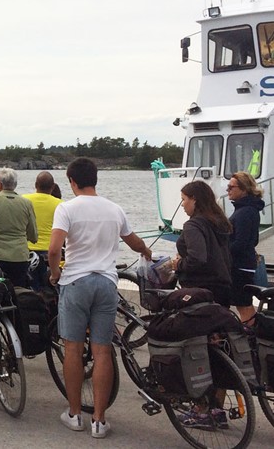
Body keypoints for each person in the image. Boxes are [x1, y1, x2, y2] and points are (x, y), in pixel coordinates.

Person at [48, 158, 151, 438]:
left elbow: (54, 248)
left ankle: (74, 414)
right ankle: (99, 420)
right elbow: (134, 242)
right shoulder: (114, 209)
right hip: (106, 283)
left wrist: (55, 273)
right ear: (95, 179)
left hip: (76, 282)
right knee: (102, 350)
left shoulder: (66, 208)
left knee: (72, 348)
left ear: (71, 181)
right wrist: (148, 253)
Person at [168, 180, 233, 307]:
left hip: (200, 289)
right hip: (222, 284)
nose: (182, 205)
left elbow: (197, 258)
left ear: (194, 200)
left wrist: (179, 264)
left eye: (184, 199)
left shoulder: (193, 225)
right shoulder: (219, 221)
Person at [0, 167, 37, 288]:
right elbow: (33, 234)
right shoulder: (26, 203)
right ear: (15, 184)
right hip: (20, 256)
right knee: (19, 291)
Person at [227, 172, 264, 324]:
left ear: (244, 189)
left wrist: (222, 251)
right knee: (243, 305)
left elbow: (241, 243)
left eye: (231, 187)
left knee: (244, 306)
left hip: (240, 267)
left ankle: (253, 338)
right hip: (245, 265)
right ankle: (253, 335)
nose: (228, 190)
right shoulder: (248, 209)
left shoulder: (245, 212)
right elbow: (253, 240)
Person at [23, 171, 63, 290]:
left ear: (36, 185)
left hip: (26, 252)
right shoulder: (61, 205)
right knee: (50, 290)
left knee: (30, 289)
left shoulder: (24, 200)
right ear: (53, 187)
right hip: (50, 253)